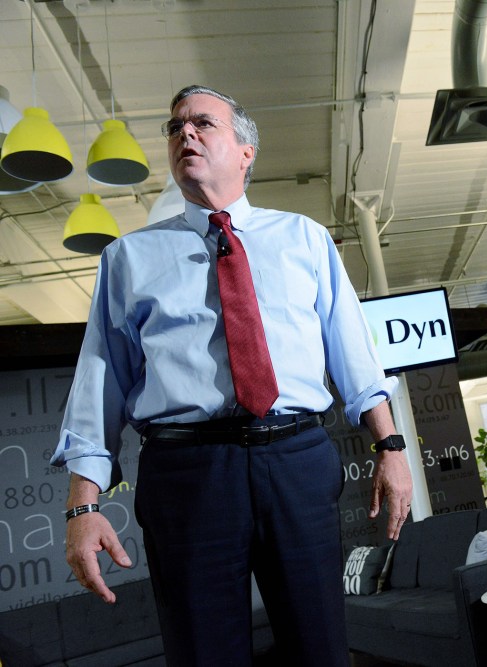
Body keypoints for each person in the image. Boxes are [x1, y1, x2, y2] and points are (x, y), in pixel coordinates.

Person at [50, 85, 413, 666]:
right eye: (174, 129)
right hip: (187, 474)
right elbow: (99, 384)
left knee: (320, 647)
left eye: (202, 124)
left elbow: (355, 357)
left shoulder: (305, 238)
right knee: (203, 654)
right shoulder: (127, 259)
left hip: (295, 459)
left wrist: (390, 447)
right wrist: (82, 507)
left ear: (246, 151)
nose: (184, 135)